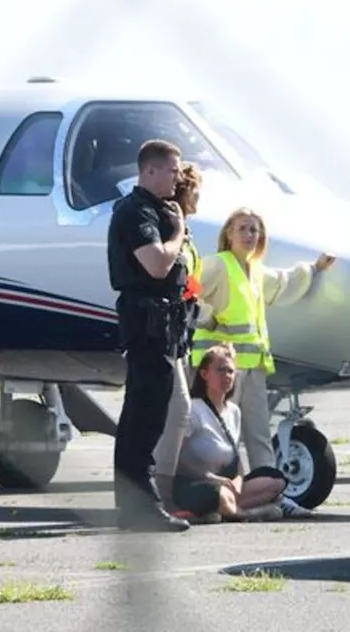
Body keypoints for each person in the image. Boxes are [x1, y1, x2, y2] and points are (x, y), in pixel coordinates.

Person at [189, 206, 336, 518]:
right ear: (228, 233)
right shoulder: (217, 265)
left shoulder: (256, 271)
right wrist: (208, 318)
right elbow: (188, 292)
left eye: (254, 230)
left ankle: (273, 494)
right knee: (218, 436)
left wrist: (315, 269)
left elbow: (284, 282)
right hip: (220, 370)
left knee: (257, 433)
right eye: (242, 228)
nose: (249, 235)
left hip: (252, 367)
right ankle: (212, 495)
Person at [106, 138, 194, 532]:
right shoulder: (136, 211)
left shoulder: (156, 209)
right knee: (142, 417)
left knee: (151, 414)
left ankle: (137, 505)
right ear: (150, 170)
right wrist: (178, 231)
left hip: (162, 324)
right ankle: (138, 506)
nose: (178, 177)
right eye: (172, 170)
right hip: (146, 323)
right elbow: (157, 264)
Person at [171, 342, 288, 522]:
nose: (227, 376)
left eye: (231, 371)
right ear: (204, 374)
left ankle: (223, 509)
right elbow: (177, 458)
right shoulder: (193, 409)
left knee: (276, 480)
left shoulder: (234, 411)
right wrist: (211, 478)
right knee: (218, 495)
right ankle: (246, 513)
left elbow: (237, 461)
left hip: (226, 484)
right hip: (197, 482)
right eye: (220, 370)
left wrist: (238, 483)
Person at [149, 162, 205, 517]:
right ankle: (162, 494)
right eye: (197, 190)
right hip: (165, 331)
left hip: (182, 331)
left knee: (176, 411)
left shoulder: (186, 231)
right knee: (177, 408)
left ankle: (167, 487)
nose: (201, 197)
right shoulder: (172, 224)